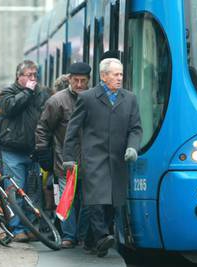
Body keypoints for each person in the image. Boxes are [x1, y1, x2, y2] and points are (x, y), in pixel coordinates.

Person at [62, 58, 142, 257]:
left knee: (112, 203)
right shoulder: (88, 98)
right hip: (94, 157)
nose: (119, 78)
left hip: (118, 159)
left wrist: (132, 147)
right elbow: (72, 129)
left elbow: (136, 128)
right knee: (96, 200)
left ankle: (93, 240)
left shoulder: (130, 98)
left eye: (121, 74)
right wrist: (69, 157)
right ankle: (102, 236)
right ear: (104, 76)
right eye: (115, 74)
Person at [35, 62, 91, 249]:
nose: (80, 84)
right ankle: (69, 236)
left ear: (89, 81)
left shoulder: (94, 99)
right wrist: (43, 152)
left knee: (87, 201)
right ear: (69, 79)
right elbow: (43, 129)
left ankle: (82, 235)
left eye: (83, 81)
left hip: (90, 160)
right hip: (64, 159)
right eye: (76, 80)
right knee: (67, 200)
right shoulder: (57, 101)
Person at [0, 59, 47, 242]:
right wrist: (27, 91)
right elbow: (10, 108)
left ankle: (32, 228)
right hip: (12, 150)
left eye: (35, 75)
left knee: (33, 192)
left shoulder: (41, 94)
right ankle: (17, 229)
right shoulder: (8, 92)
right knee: (15, 191)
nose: (33, 78)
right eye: (29, 75)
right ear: (19, 77)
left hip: (33, 151)